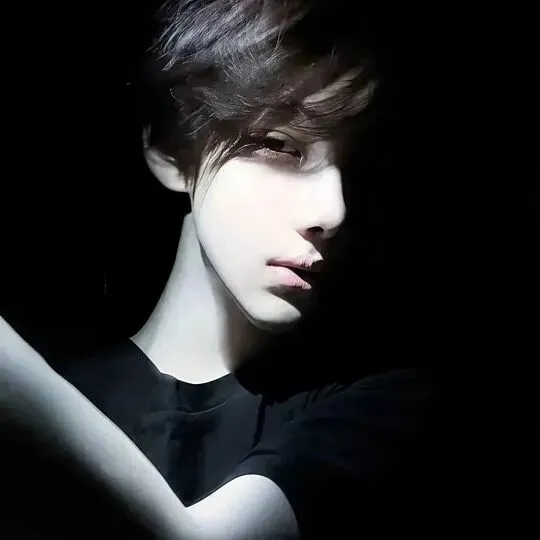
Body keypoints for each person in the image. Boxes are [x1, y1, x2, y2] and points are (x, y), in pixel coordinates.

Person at [1, 0, 524, 538]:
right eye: (279, 145)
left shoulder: (387, 410)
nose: (333, 211)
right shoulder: (50, 400)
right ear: (173, 150)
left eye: (357, 170)